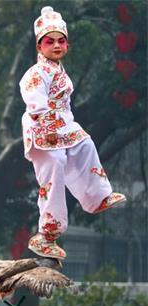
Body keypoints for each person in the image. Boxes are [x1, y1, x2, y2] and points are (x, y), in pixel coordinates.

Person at [19, 6, 126, 260]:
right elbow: (33, 97)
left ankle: (97, 196)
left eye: (61, 41)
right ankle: (46, 235)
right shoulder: (36, 73)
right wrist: (44, 115)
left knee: (86, 145)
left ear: (67, 45)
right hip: (42, 128)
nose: (56, 45)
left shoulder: (59, 71)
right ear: (39, 46)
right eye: (50, 41)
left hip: (64, 125)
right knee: (55, 167)